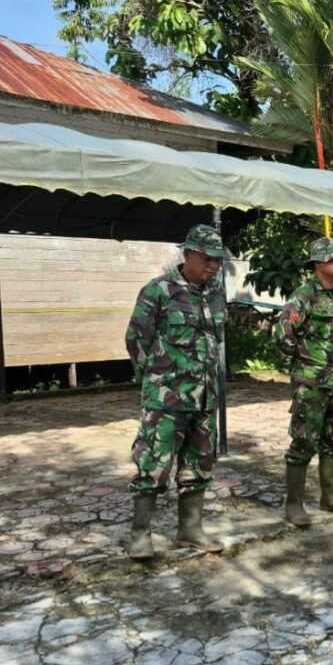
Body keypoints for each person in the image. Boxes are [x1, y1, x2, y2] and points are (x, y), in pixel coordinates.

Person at [124, 224, 228, 560]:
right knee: (153, 464)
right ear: (189, 254)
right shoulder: (159, 290)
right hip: (166, 399)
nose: (213, 265)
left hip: (205, 397)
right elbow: (136, 339)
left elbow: (215, 341)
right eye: (207, 258)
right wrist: (155, 381)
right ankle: (140, 535)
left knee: (199, 464)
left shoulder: (215, 293)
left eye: (217, 259)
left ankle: (190, 530)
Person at [274, 236, 333, 527]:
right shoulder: (304, 295)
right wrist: (301, 367)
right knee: (303, 441)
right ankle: (294, 504)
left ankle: (330, 497)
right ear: (318, 263)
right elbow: (283, 334)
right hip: (311, 385)